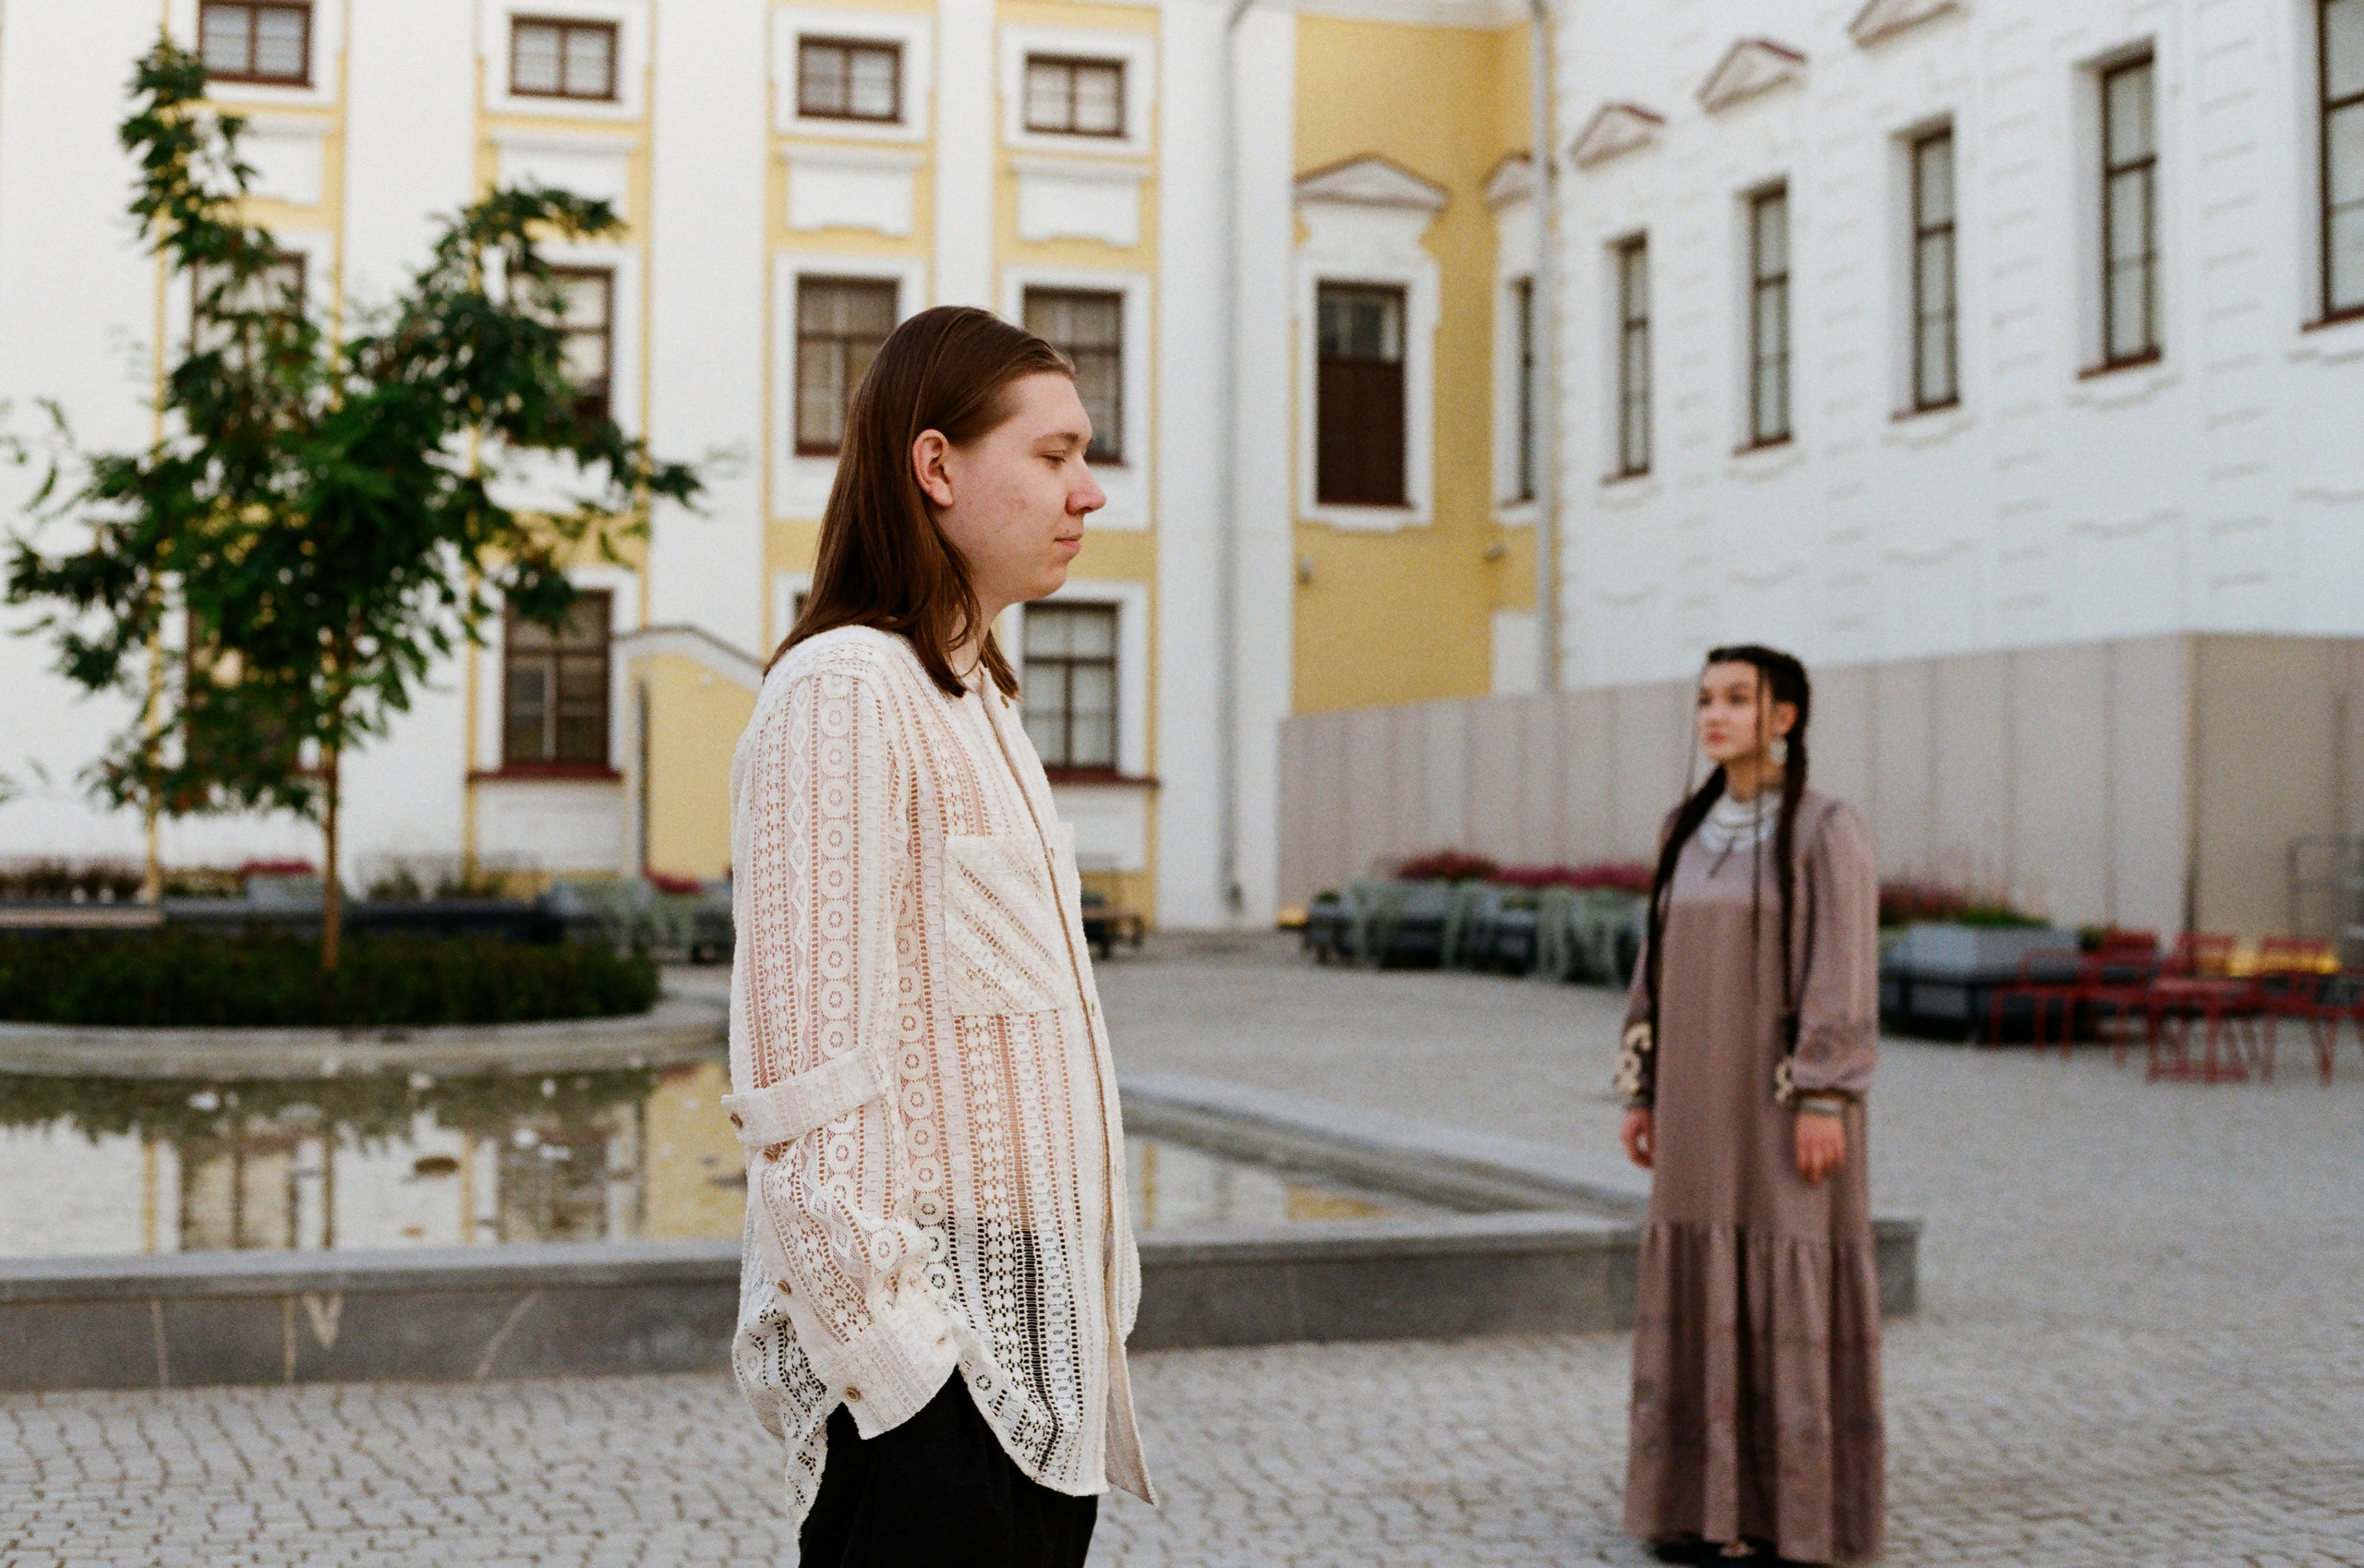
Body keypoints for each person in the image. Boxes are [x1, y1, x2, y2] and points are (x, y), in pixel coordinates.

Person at [721, 305, 1154, 1567]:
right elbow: (800, 1078)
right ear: (937, 466)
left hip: (1029, 1359)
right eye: (1056, 453)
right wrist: (908, 1380)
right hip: (936, 1387)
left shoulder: (970, 696)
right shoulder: (845, 690)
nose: (1090, 492)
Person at [1616, 645, 1885, 1566]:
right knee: (1695, 1276)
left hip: (1780, 1105)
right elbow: (1650, 970)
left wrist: (1823, 1094)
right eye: (1704, 699)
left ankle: (1790, 1518)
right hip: (1693, 1103)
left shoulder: (1823, 830)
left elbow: (1840, 971)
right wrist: (1641, 1087)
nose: (1714, 714)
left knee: (1788, 1276)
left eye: (1737, 698)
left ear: (1784, 716)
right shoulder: (1681, 831)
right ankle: (1691, 1508)